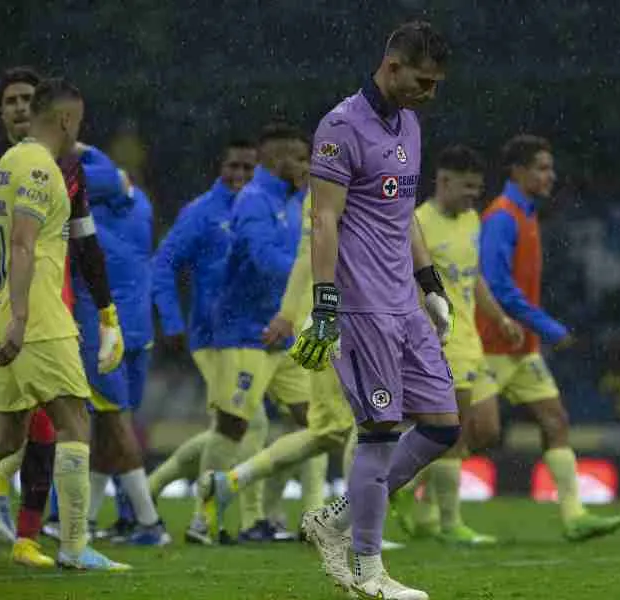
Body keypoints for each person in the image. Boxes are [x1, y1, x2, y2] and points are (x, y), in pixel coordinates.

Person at [291, 21, 457, 600]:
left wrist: (429, 282)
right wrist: (326, 304)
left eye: (435, 85)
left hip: (404, 305)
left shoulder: (408, 123)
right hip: (361, 309)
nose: (428, 94)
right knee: (380, 431)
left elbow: (404, 211)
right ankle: (368, 572)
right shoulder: (339, 127)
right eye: (423, 81)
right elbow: (325, 219)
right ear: (392, 67)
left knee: (442, 425)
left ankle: (335, 522)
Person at [0, 78, 128, 571]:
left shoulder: (6, 162)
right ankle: (74, 547)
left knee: (3, 439)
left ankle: (63, 543)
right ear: (67, 119)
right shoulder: (42, 169)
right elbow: (26, 243)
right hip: (39, 319)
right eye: (80, 121)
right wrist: (24, 317)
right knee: (75, 423)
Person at [475, 134, 620, 542]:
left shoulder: (526, 213)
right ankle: (396, 486)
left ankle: (573, 516)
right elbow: (498, 287)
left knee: (555, 419)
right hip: (489, 345)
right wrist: (550, 327)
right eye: (542, 168)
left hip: (522, 350)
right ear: (517, 171)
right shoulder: (502, 216)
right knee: (478, 436)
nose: (550, 175)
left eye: (550, 167)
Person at [199, 180, 357, 537]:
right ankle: (352, 529)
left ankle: (230, 483)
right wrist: (288, 314)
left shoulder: (350, 190)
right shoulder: (335, 192)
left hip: (350, 319)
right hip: (341, 320)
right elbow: (309, 256)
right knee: (368, 425)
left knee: (329, 433)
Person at [183, 123, 311, 545]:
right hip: (243, 331)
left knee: (317, 425)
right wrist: (312, 278)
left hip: (283, 331)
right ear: (277, 159)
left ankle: (270, 513)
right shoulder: (254, 200)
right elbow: (262, 259)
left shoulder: (297, 201)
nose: (308, 166)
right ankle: (202, 519)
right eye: (301, 158)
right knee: (233, 425)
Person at [393, 144, 524, 545]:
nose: (473, 196)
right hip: (439, 337)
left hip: (471, 337)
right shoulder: (418, 222)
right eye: (467, 188)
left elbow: (475, 276)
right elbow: (402, 280)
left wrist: (499, 316)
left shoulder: (471, 220)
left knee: (485, 429)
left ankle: (400, 480)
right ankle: (448, 522)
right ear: (443, 180)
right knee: (452, 430)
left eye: (477, 189)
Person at [72, 145, 169, 545]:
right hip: (139, 329)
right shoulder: (140, 203)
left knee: (115, 423)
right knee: (109, 428)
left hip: (101, 329)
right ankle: (87, 521)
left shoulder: (81, 211)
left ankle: (149, 524)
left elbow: (81, 179)